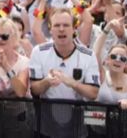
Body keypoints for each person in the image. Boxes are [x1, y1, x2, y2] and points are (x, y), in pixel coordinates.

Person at [29, 8, 99, 138]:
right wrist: (47, 82)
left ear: (74, 29)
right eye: (56, 25)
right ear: (50, 29)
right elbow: (34, 89)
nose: (61, 29)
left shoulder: (88, 55)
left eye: (66, 25)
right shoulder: (38, 52)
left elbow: (93, 93)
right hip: (46, 120)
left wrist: (72, 83)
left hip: (78, 121)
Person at [0, 17, 32, 138]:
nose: (0, 40)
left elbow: (20, 92)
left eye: (4, 36)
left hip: (16, 115)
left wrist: (7, 67)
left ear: (14, 38)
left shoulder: (24, 62)